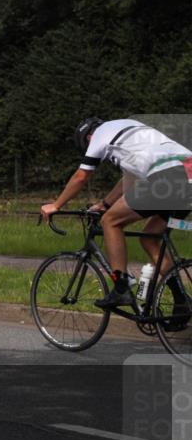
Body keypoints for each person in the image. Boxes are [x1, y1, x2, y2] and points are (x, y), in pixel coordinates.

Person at [41, 118, 192, 318]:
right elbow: (129, 179)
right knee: (150, 238)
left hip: (168, 176)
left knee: (110, 221)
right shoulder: (127, 129)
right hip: (187, 174)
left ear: (88, 138)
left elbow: (82, 176)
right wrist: (105, 204)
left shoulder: (100, 135)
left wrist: (56, 205)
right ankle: (182, 302)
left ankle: (121, 288)